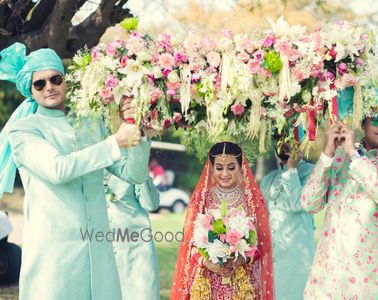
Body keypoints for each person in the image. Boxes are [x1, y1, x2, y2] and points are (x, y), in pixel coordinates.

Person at [0, 43, 151, 299]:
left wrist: (134, 128)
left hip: (99, 254)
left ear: (65, 82)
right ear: (31, 90)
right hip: (55, 259)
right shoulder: (24, 130)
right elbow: (57, 169)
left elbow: (133, 175)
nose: (49, 86)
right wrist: (115, 142)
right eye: (40, 83)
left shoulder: (88, 123)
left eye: (55, 79)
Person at [301, 87, 378, 299]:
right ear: (363, 121)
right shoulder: (339, 157)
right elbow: (309, 204)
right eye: (377, 118)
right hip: (327, 283)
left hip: (370, 284)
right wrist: (328, 153)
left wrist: (353, 154)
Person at [171, 141, 274, 300]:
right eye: (219, 167)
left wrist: (243, 259)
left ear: (241, 168)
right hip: (207, 282)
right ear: (212, 168)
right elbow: (189, 245)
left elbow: (262, 245)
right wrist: (207, 263)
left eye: (231, 167)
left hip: (242, 281)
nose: (225, 173)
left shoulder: (251, 200)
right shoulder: (202, 198)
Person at [260, 130, 315, 300]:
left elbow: (298, 204)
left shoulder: (311, 173)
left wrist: (292, 168)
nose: (284, 144)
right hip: (273, 257)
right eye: (278, 138)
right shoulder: (268, 179)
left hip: (297, 259)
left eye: (290, 138)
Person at [105, 171, 161, 300]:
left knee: (140, 292)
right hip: (100, 242)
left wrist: (140, 169)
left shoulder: (131, 164)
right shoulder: (91, 160)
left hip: (135, 245)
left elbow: (151, 204)